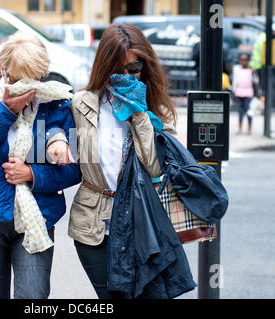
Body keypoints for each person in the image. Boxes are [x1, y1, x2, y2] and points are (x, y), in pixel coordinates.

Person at [0, 31, 81, 299]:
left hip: (37, 217)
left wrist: (32, 174)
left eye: (34, 80)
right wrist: (5, 112)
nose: (26, 89)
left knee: (33, 297)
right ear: (3, 69)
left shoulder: (56, 102)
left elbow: (75, 168)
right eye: (17, 79)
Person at [66, 24, 178, 299]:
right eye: (118, 69)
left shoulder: (159, 112)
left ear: (146, 66)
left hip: (143, 227)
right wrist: (54, 137)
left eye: (135, 67)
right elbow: (64, 149)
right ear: (105, 67)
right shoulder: (82, 104)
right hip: (93, 226)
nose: (127, 75)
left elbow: (155, 167)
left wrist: (139, 113)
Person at [232, 53, 256, 135]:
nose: (244, 62)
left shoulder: (251, 70)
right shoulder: (236, 69)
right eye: (242, 60)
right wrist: (233, 92)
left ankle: (249, 129)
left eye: (246, 60)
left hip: (248, 94)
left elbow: (255, 83)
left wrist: (256, 95)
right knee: (240, 112)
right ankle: (240, 128)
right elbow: (234, 81)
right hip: (238, 93)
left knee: (249, 112)